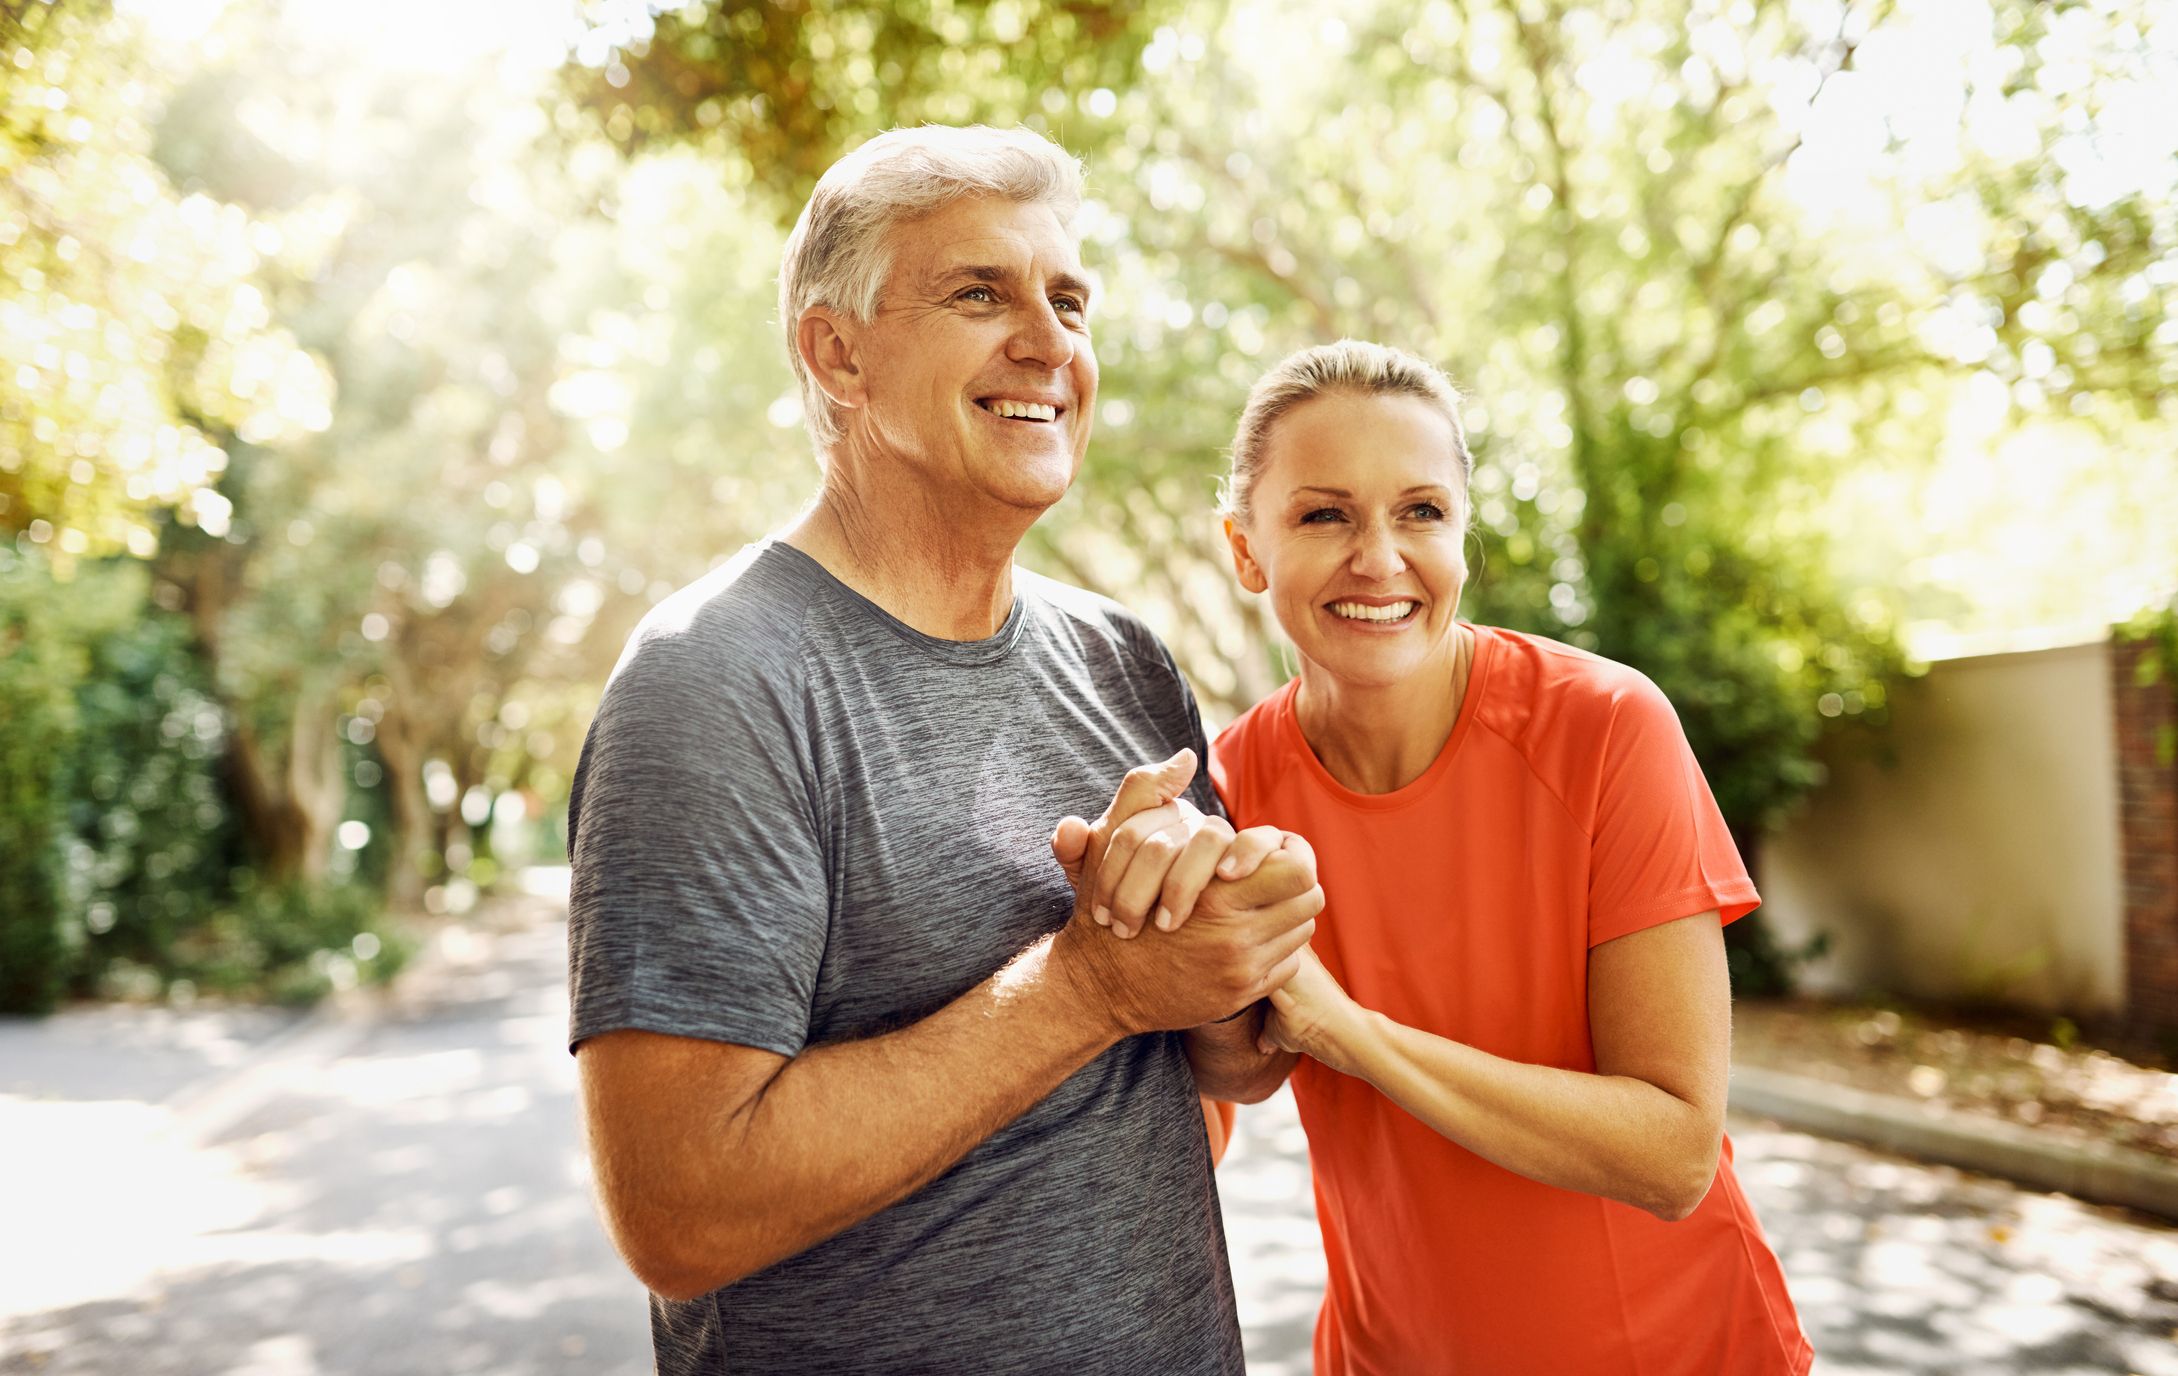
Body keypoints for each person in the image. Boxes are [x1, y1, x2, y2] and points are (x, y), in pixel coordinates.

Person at [563, 125, 1323, 1374]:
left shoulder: (1120, 658)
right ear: (837, 351)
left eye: (1069, 299)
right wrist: (1091, 985)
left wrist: (1236, 960)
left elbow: (1212, 1079)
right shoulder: (715, 681)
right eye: (980, 292)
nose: (1049, 341)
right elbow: (680, 1207)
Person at [1195, 340, 1814, 1374]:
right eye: (1323, 513)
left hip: (1675, 1349)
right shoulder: (1231, 781)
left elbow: (1672, 1152)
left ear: (1462, 533)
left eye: (1421, 510)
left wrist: (1352, 1032)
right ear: (1246, 547)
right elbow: (1236, 1073)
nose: (1379, 557)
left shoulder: (1607, 727)